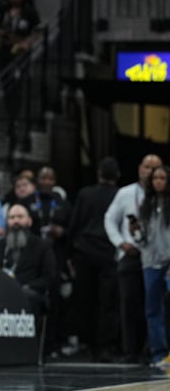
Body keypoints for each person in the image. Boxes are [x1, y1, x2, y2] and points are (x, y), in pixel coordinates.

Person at [105, 154, 162, 363]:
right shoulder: (126, 193)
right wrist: (120, 242)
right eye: (146, 167)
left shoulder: (163, 196)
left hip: (156, 257)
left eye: (155, 168)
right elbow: (110, 219)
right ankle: (130, 351)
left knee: (154, 304)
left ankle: (154, 349)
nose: (149, 171)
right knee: (129, 303)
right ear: (139, 168)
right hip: (131, 254)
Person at [66, 157, 121, 361]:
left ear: (98, 173)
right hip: (109, 252)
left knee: (84, 299)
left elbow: (74, 225)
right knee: (108, 301)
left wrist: (70, 254)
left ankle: (86, 344)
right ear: (117, 176)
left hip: (85, 252)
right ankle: (105, 346)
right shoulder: (120, 194)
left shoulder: (85, 194)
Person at [134, 165, 170, 366]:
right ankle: (159, 354)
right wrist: (135, 231)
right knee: (153, 309)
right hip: (150, 262)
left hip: (168, 261)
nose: (158, 181)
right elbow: (142, 239)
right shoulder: (145, 205)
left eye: (162, 178)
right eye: (155, 178)